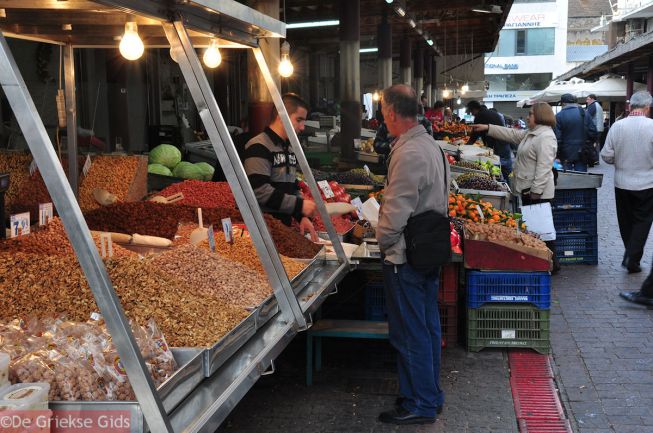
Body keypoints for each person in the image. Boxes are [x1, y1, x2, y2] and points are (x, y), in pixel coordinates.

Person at [376, 84, 449, 425]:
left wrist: (381, 240)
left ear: (391, 112)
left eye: (382, 111)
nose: (381, 118)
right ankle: (428, 394)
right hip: (428, 251)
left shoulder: (408, 153)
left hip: (406, 255)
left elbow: (396, 210)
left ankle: (419, 402)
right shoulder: (428, 144)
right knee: (428, 327)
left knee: (410, 332)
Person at [470, 102, 561, 273]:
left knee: (542, 229)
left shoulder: (546, 137)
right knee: (535, 229)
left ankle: (551, 263)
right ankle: (541, 261)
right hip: (527, 190)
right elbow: (512, 134)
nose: (528, 116)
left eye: (531, 114)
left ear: (540, 116)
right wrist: (488, 128)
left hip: (536, 193)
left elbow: (544, 167)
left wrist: (535, 191)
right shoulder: (532, 134)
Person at [243, 93, 318, 240]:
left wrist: (300, 216)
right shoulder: (258, 146)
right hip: (262, 232)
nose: (302, 127)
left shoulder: (289, 150)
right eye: (299, 120)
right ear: (281, 116)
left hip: (282, 231)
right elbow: (259, 191)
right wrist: (299, 205)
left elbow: (293, 186)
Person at [600, 90, 653, 278]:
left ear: (630, 106)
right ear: (647, 107)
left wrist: (619, 161)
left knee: (626, 221)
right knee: (643, 220)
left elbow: (606, 154)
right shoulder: (652, 126)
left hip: (622, 181)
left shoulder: (617, 126)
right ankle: (632, 257)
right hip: (647, 183)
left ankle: (631, 256)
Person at [465, 100, 513, 180]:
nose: (472, 114)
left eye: (471, 112)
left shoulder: (480, 115)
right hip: (505, 144)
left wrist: (465, 147)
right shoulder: (489, 112)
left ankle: (501, 186)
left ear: (473, 109)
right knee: (506, 170)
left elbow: (474, 136)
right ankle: (508, 184)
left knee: (497, 170)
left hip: (497, 146)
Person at [553, 93, 597, 172]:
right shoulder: (584, 113)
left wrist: (558, 154)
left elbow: (557, 138)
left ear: (562, 103)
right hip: (582, 152)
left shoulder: (558, 116)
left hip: (565, 153)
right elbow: (593, 132)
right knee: (581, 178)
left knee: (567, 178)